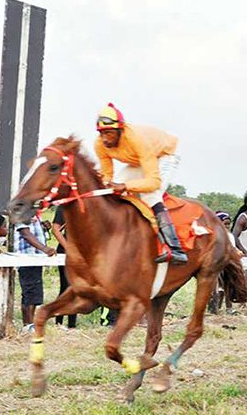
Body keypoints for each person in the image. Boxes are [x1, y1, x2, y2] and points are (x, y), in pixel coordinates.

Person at [94, 103, 187, 264]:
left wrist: (125, 186)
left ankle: (175, 249)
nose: (104, 139)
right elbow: (107, 176)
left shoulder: (136, 140)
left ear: (120, 130)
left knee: (149, 193)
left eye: (109, 133)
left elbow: (153, 182)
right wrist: (106, 184)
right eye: (101, 133)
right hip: (138, 161)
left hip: (164, 155)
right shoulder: (100, 145)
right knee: (111, 192)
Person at [15, 212, 56, 332]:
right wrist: (45, 248)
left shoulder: (36, 215)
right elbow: (26, 234)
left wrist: (43, 227)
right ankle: (27, 324)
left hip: (36, 258)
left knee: (34, 293)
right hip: (27, 257)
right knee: (29, 292)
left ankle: (30, 324)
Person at [51, 206, 76, 329]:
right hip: (66, 253)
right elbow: (55, 230)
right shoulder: (64, 207)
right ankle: (59, 322)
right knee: (66, 287)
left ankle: (72, 325)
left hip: (81, 253)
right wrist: (69, 248)